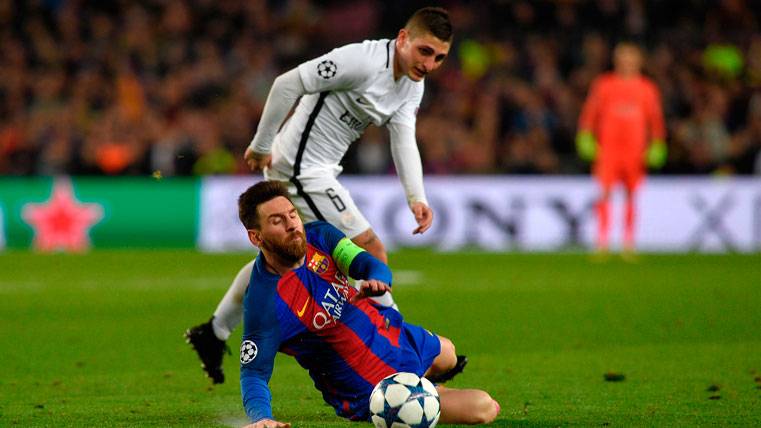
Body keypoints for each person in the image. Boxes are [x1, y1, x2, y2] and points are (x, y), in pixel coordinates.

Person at [186, 7, 453, 384]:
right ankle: (399, 362)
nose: (430, 63)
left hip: (318, 170)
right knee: (371, 251)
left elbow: (403, 135)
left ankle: (213, 333)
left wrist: (416, 196)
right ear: (403, 38)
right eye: (425, 51)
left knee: (278, 258)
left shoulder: (411, 84)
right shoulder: (361, 61)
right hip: (298, 169)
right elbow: (286, 83)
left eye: (440, 57)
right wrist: (262, 144)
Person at [234, 181, 500, 428]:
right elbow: (254, 372)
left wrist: (377, 278)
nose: (292, 225)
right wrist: (262, 418)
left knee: (449, 353)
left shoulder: (319, 236)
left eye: (292, 214)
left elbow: (367, 263)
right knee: (485, 407)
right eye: (277, 221)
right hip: (372, 388)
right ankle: (424, 395)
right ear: (256, 238)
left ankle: (425, 385)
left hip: (389, 335)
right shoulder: (264, 303)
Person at [576, 41, 667, 256]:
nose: (626, 62)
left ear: (638, 61)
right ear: (616, 60)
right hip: (608, 149)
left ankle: (628, 243)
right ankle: (602, 241)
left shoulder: (647, 88)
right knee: (605, 193)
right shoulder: (604, 84)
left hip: (634, 150)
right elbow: (590, 114)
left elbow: (655, 120)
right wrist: (585, 137)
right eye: (622, 58)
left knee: (630, 195)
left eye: (630, 58)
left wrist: (657, 143)